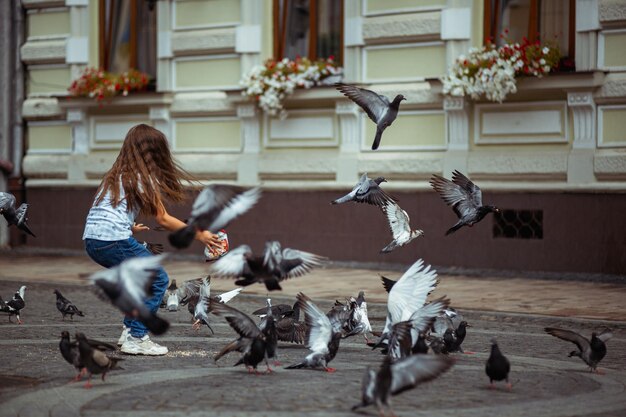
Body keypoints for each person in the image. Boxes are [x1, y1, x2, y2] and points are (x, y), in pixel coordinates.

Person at [82, 124, 222, 355]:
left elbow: (106, 211)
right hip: (113, 241)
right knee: (158, 279)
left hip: (93, 242)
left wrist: (129, 226)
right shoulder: (142, 178)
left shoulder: (114, 175)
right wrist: (200, 234)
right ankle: (136, 337)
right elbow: (164, 219)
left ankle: (129, 330)